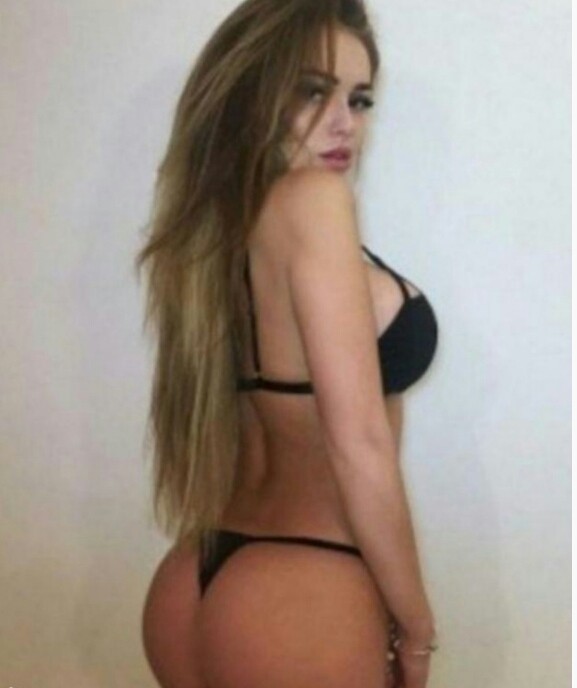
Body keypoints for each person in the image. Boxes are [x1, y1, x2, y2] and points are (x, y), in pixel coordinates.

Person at [134, 1, 440, 686]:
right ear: (252, 95)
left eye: (358, 99)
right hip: (303, 591)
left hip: (195, 573)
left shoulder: (215, 226)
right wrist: (417, 632)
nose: (344, 122)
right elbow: (358, 444)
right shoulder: (316, 202)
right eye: (311, 92)